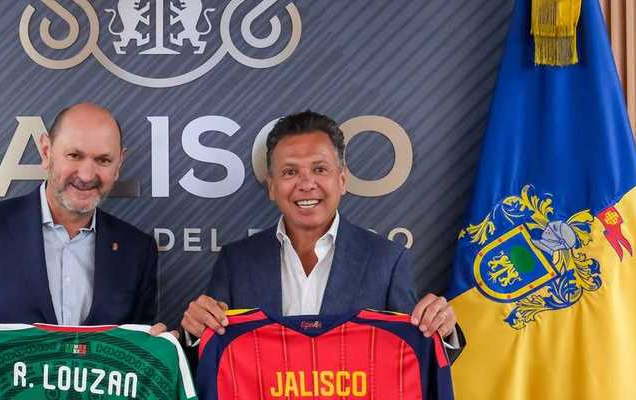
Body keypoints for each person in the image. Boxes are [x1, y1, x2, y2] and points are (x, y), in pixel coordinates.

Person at [0, 102, 170, 368]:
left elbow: (135, 353)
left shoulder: (138, 249)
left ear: (119, 163)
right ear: (46, 151)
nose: (87, 175)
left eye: (103, 160)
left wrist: (153, 348)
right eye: (74, 156)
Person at [180, 111, 463, 357]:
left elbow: (413, 358)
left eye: (320, 169)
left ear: (341, 180)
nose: (306, 184)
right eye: (290, 172)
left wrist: (442, 332)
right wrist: (194, 333)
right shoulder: (236, 261)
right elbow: (210, 359)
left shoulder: (387, 261)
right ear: (271, 187)